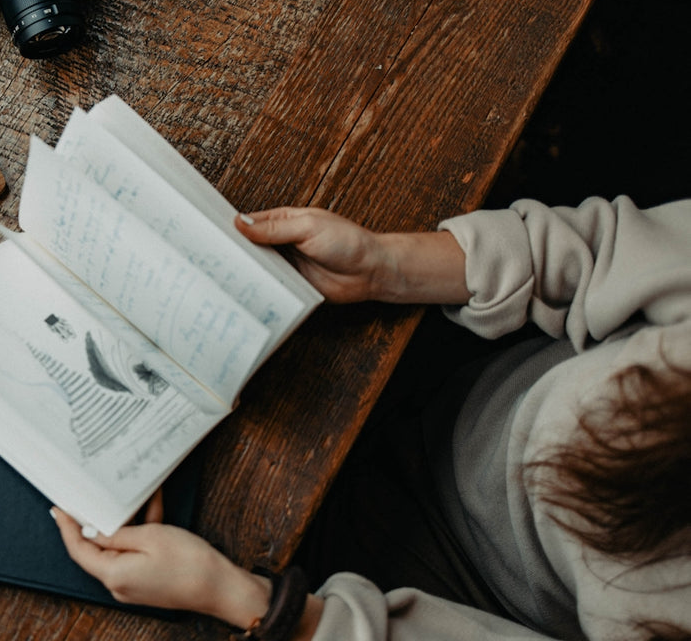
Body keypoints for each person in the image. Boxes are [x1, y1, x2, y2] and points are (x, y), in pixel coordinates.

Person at [51, 195, 691, 641]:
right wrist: (388, 265)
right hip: (462, 386)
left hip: (447, 598)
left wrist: (252, 607)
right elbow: (609, 253)